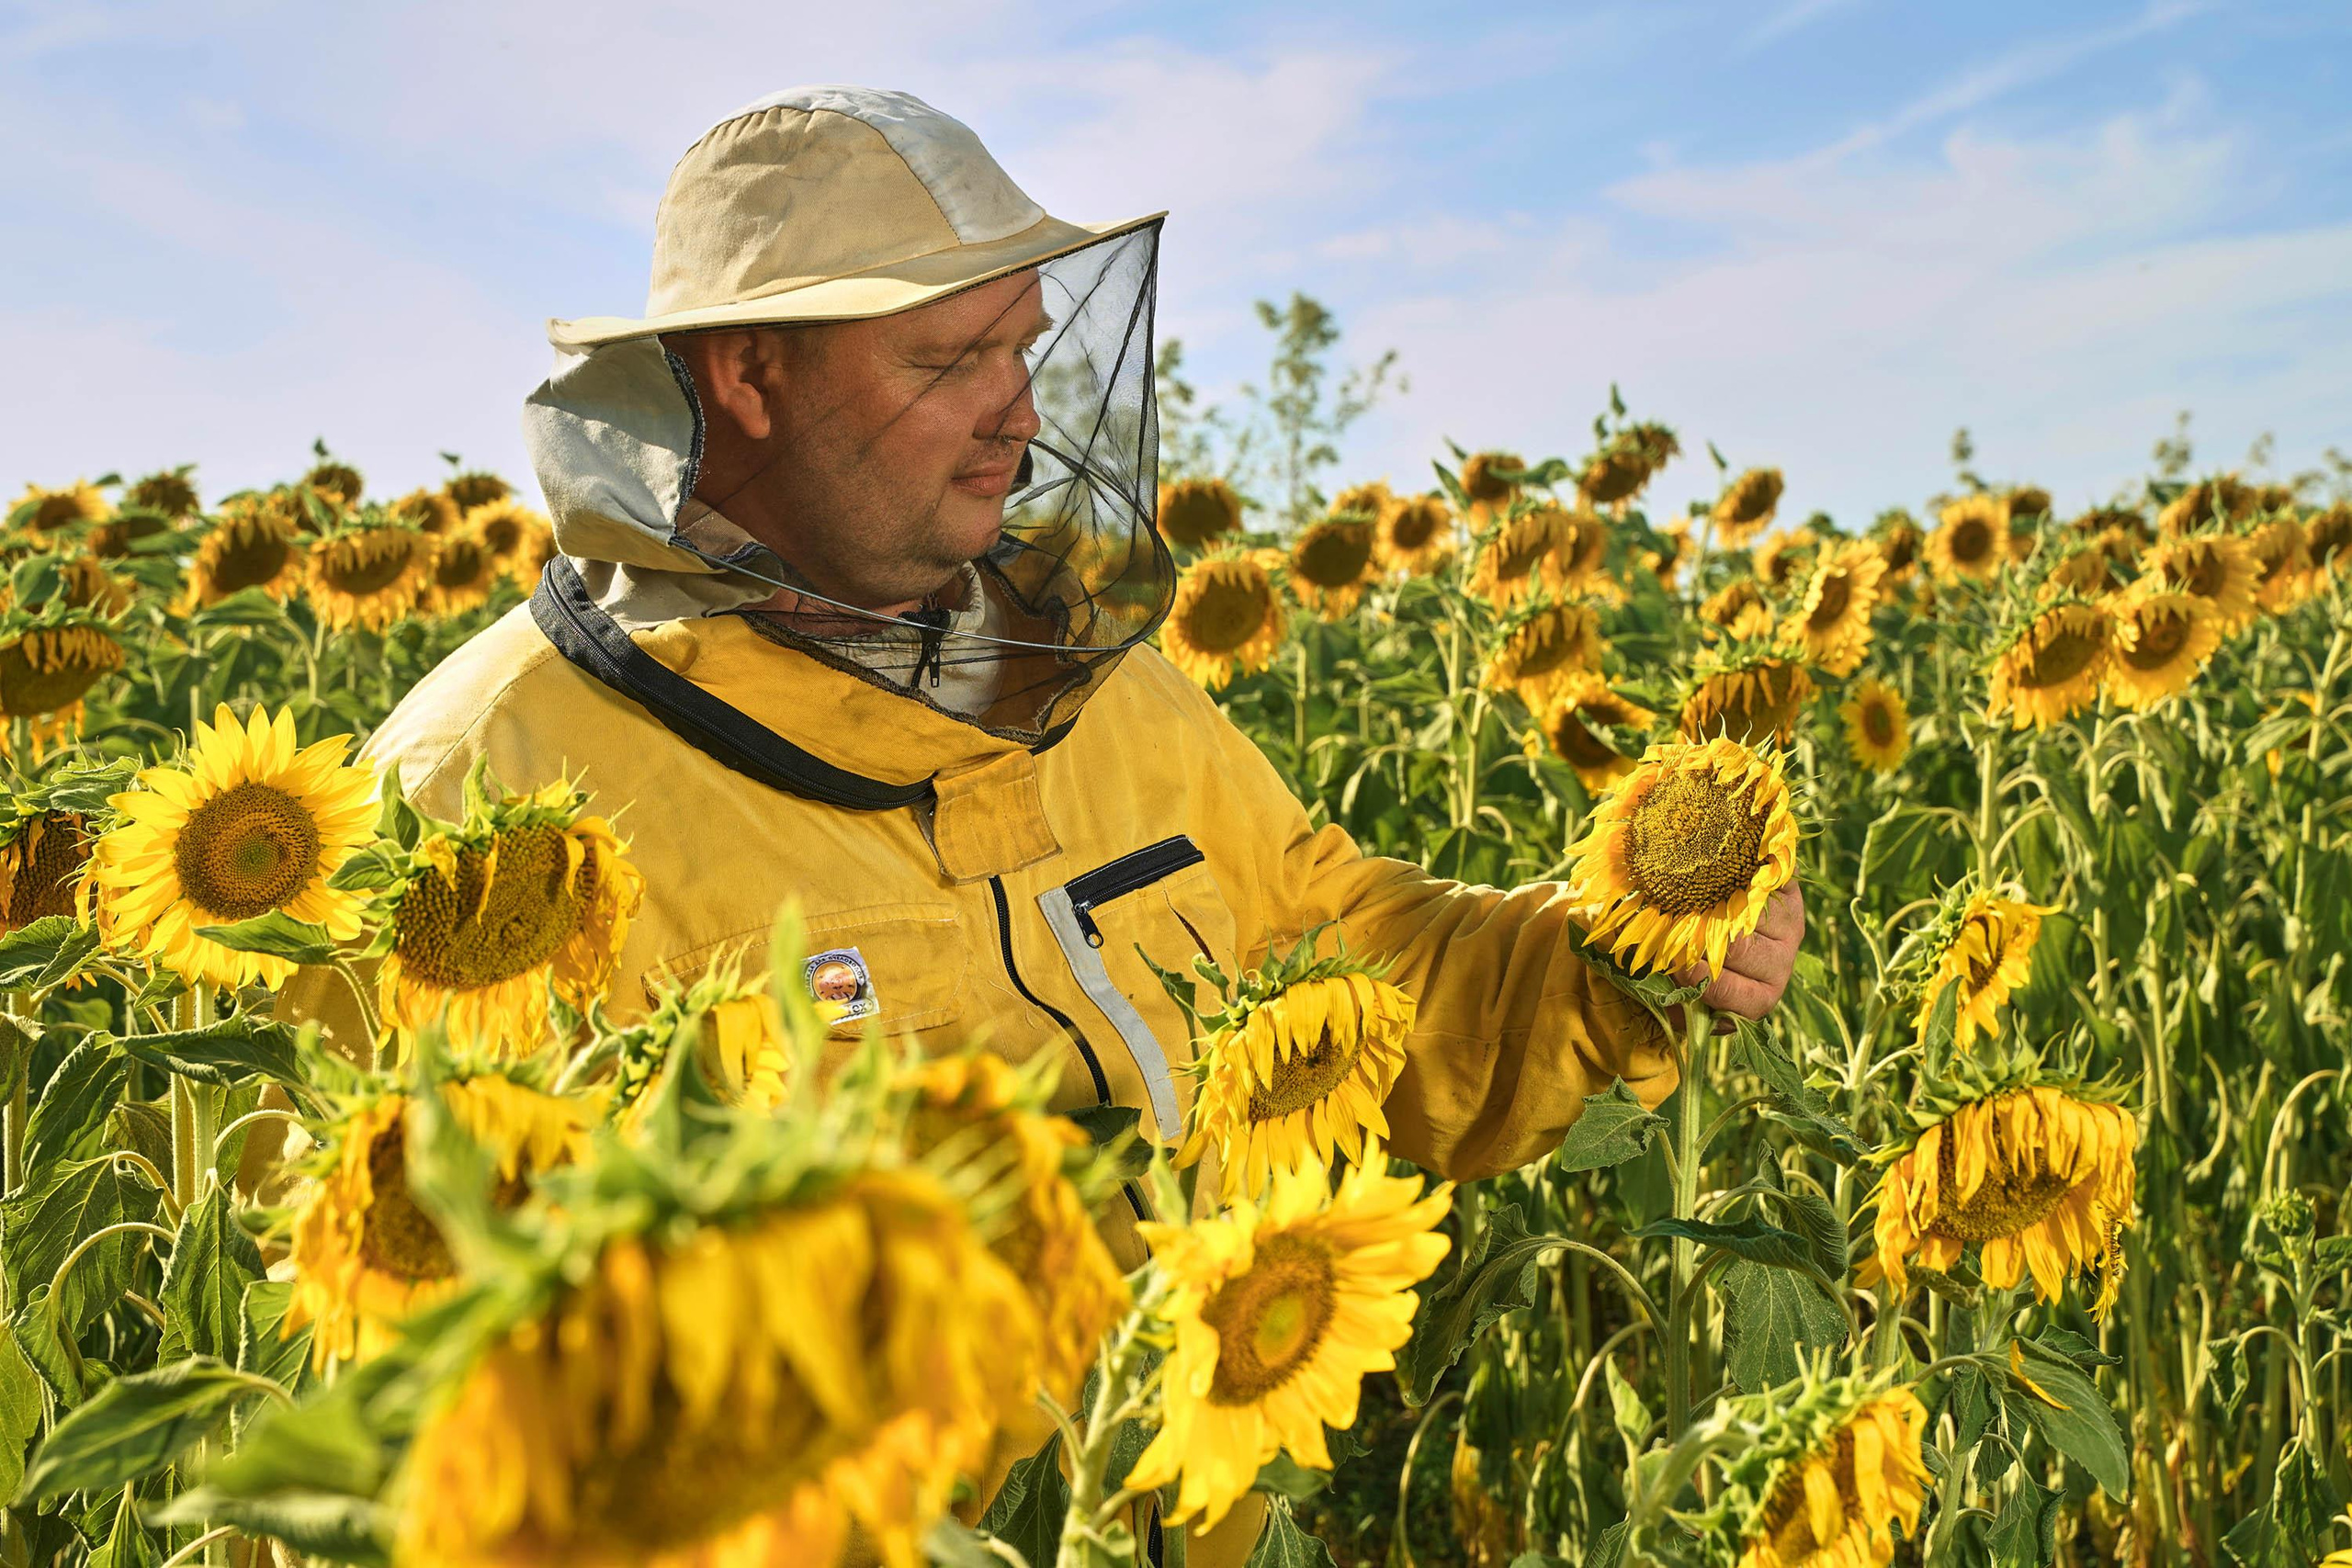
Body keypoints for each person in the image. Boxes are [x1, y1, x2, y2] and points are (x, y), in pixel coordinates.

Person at [327, 85, 1804, 1563]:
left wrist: (1610, 954)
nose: (1020, 413)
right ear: (751, 373)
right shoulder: (478, 805)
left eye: (1021, 347)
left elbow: (1347, 960)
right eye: (950, 359)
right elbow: (406, 1398)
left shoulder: (1093, 685)